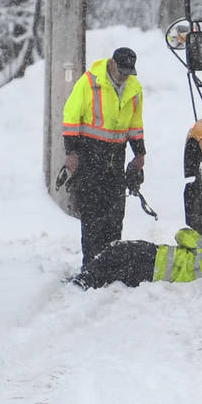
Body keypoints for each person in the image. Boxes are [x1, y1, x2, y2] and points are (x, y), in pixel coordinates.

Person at [61, 46, 146, 273]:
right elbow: (71, 116)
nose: (125, 76)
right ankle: (91, 266)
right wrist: (71, 152)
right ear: (112, 64)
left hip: (116, 157)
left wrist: (139, 154)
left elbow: (135, 125)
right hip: (90, 155)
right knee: (92, 214)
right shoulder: (90, 82)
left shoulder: (134, 89)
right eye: (122, 70)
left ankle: (110, 264)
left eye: (130, 72)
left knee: (115, 212)